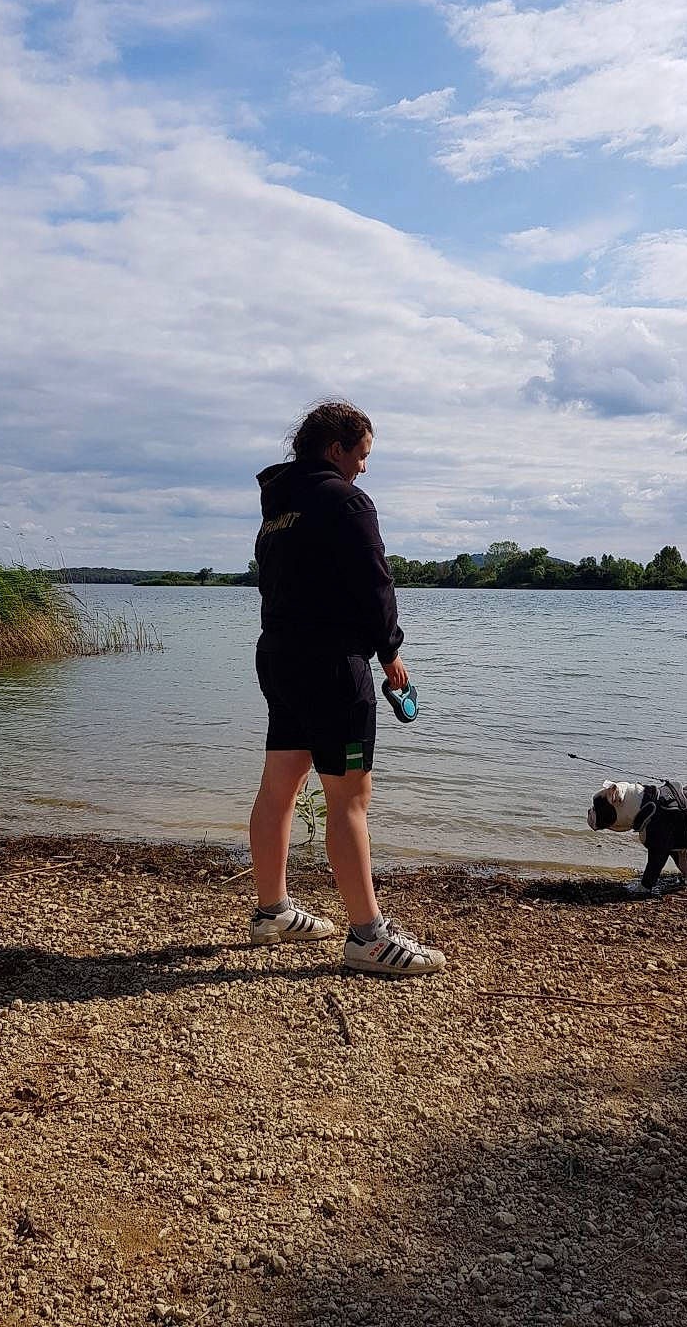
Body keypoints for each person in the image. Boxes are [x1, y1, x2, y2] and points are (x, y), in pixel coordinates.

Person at [247, 400, 445, 976]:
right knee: (350, 798)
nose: (364, 467)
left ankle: (271, 912)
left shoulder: (278, 505)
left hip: (279, 654)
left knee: (280, 785)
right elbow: (374, 580)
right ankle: (369, 937)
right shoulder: (346, 501)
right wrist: (390, 651)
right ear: (336, 450)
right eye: (361, 455)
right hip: (333, 664)